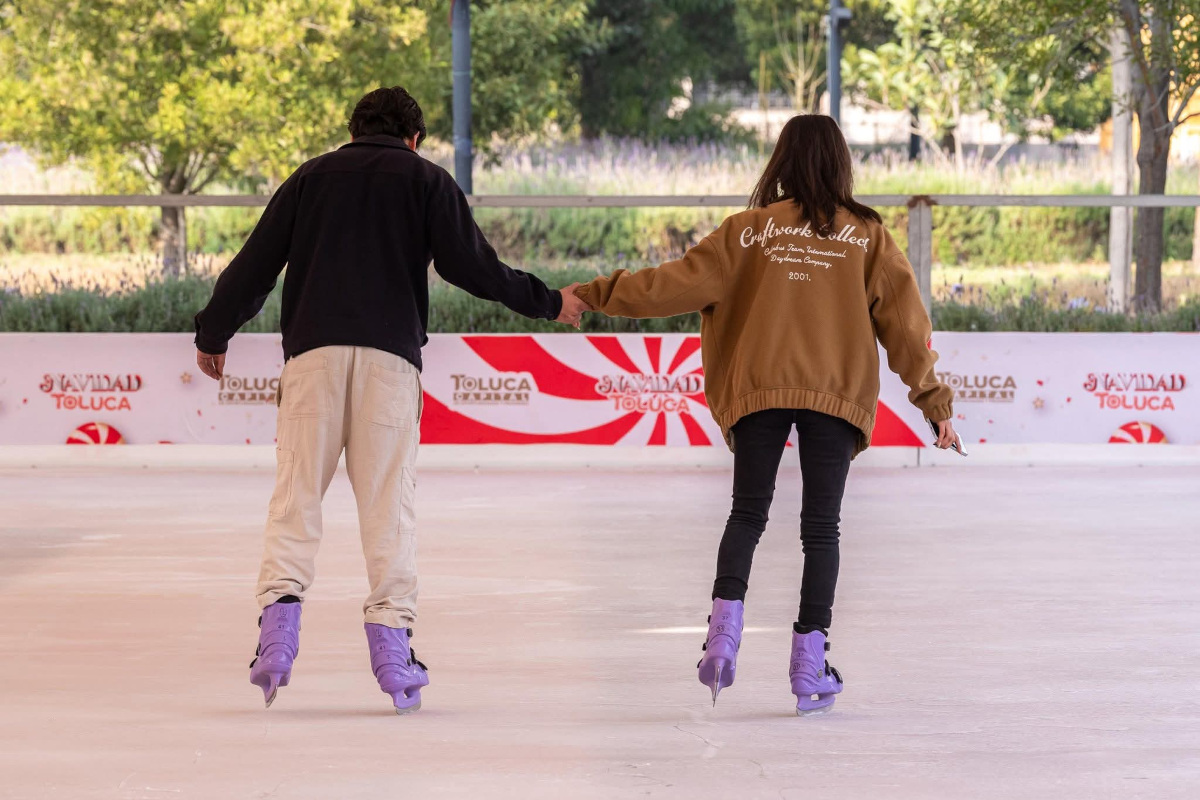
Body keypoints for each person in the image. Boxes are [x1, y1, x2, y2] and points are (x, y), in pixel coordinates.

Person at [193, 86, 590, 714]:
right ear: (415, 139)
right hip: (389, 363)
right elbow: (477, 269)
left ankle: (277, 637)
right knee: (388, 508)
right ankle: (393, 651)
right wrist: (550, 300)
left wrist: (213, 334)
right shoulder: (427, 181)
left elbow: (253, 266)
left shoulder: (310, 179)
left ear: (352, 131)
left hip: (312, 360)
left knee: (295, 497)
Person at [572, 114, 961, 715]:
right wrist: (934, 403)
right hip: (833, 394)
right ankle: (809, 664)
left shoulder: (746, 232)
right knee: (820, 529)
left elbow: (666, 285)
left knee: (747, 513)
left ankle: (723, 633)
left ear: (781, 160)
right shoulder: (868, 237)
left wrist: (593, 293)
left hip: (759, 389)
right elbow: (907, 328)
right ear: (840, 162)